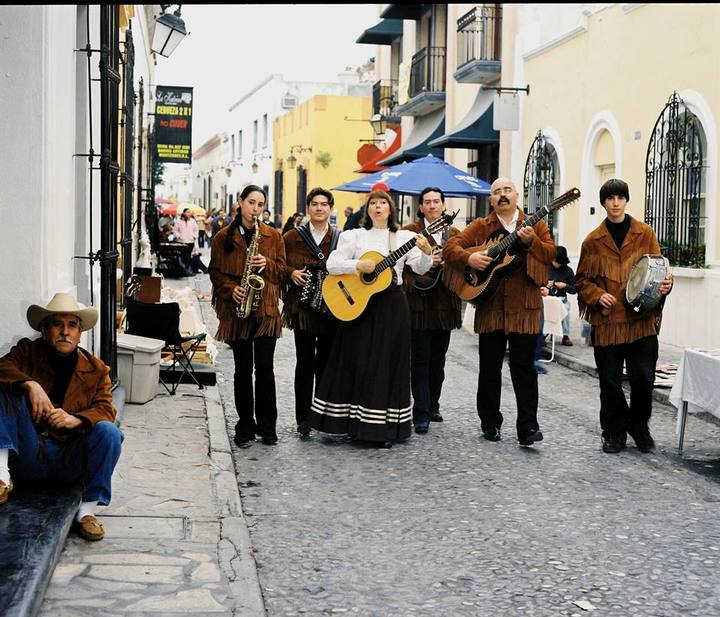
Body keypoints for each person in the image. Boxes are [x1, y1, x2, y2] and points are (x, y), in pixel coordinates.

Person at [308, 184, 433, 448]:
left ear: (391, 209)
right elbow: (332, 264)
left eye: (383, 203)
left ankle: (381, 428)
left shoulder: (402, 237)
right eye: (373, 203)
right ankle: (349, 424)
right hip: (359, 305)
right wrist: (358, 264)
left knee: (387, 363)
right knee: (357, 361)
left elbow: (421, 268)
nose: (378, 207)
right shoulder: (354, 236)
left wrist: (426, 252)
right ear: (367, 209)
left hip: (392, 306)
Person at [0, 293, 122, 541]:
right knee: (5, 389)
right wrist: (30, 384)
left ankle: (87, 512)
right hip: (29, 452)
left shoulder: (96, 369)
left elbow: (106, 409)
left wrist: (76, 420)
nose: (65, 332)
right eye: (57, 324)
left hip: (68, 458)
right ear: (45, 331)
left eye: (72, 325)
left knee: (110, 433)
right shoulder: (27, 351)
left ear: (79, 333)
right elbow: (2, 367)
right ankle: (1, 476)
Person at [444, 177, 555, 447]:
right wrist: (469, 258)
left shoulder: (536, 224)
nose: (502, 195)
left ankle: (528, 427)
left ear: (517, 196)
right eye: (496, 192)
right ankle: (490, 422)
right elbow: (450, 248)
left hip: (524, 308)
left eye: (507, 190)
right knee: (489, 368)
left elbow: (550, 254)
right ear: (491, 200)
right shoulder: (481, 226)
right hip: (491, 308)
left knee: (524, 369)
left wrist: (532, 243)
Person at [574, 178, 673, 454]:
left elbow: (659, 269)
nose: (615, 203)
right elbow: (580, 281)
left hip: (641, 321)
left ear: (627, 200)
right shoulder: (592, 241)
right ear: (603, 203)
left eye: (620, 197)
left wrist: (667, 284)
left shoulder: (645, 233)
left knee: (644, 378)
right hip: (607, 323)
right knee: (610, 382)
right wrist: (596, 295)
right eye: (610, 198)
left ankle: (639, 426)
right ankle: (613, 431)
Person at [209, 185, 286, 446]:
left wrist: (268, 264)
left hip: (266, 311)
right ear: (240, 203)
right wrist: (231, 289)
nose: (255, 208)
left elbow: (282, 271)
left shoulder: (273, 236)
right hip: (237, 311)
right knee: (242, 370)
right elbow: (215, 272)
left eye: (260, 204)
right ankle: (245, 425)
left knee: (265, 368)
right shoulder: (222, 237)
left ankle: (267, 426)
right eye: (251, 202)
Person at [402, 187, 462, 434]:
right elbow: (402, 267)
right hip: (419, 304)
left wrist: (447, 263)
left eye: (436, 201)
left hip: (445, 304)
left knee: (438, 360)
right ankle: (421, 412)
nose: (432, 206)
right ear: (420, 207)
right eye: (427, 202)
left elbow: (463, 264)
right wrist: (427, 264)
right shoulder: (410, 232)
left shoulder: (455, 234)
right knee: (420, 359)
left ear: (444, 205)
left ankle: (433, 403)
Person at [281, 188, 339, 438]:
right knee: (304, 362)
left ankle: (322, 415)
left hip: (331, 307)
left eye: (324, 204)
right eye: (315, 204)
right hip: (302, 308)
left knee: (326, 363)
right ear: (308, 208)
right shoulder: (292, 236)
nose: (319, 208)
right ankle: (303, 418)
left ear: (330, 208)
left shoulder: (340, 238)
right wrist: (290, 273)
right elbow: (279, 264)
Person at [547, 245, 576, 346]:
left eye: (557, 262)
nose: (555, 264)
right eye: (554, 261)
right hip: (547, 299)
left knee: (565, 309)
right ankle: (542, 334)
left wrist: (565, 286)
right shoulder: (546, 267)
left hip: (561, 300)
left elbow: (574, 290)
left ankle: (565, 335)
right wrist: (546, 284)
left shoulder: (568, 271)